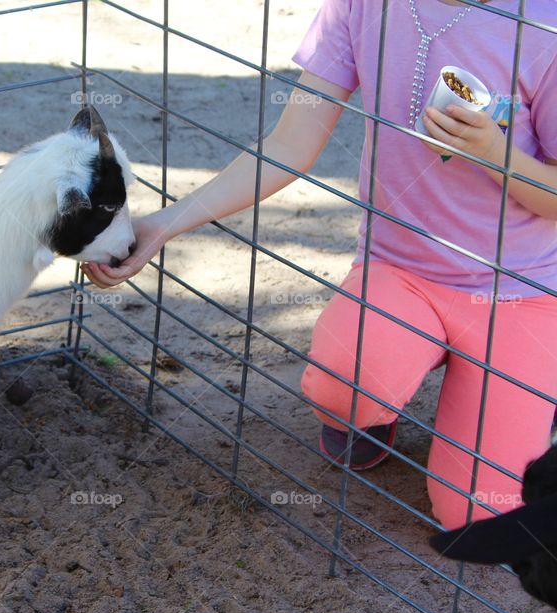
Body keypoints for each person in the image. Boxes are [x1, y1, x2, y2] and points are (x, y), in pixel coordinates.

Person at [82, 0, 557, 530]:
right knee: (346, 387)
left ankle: (527, 396)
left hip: (521, 290)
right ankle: (373, 407)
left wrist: (496, 153)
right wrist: (166, 224)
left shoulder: (545, 24)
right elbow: (289, 144)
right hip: (400, 271)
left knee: (477, 516)